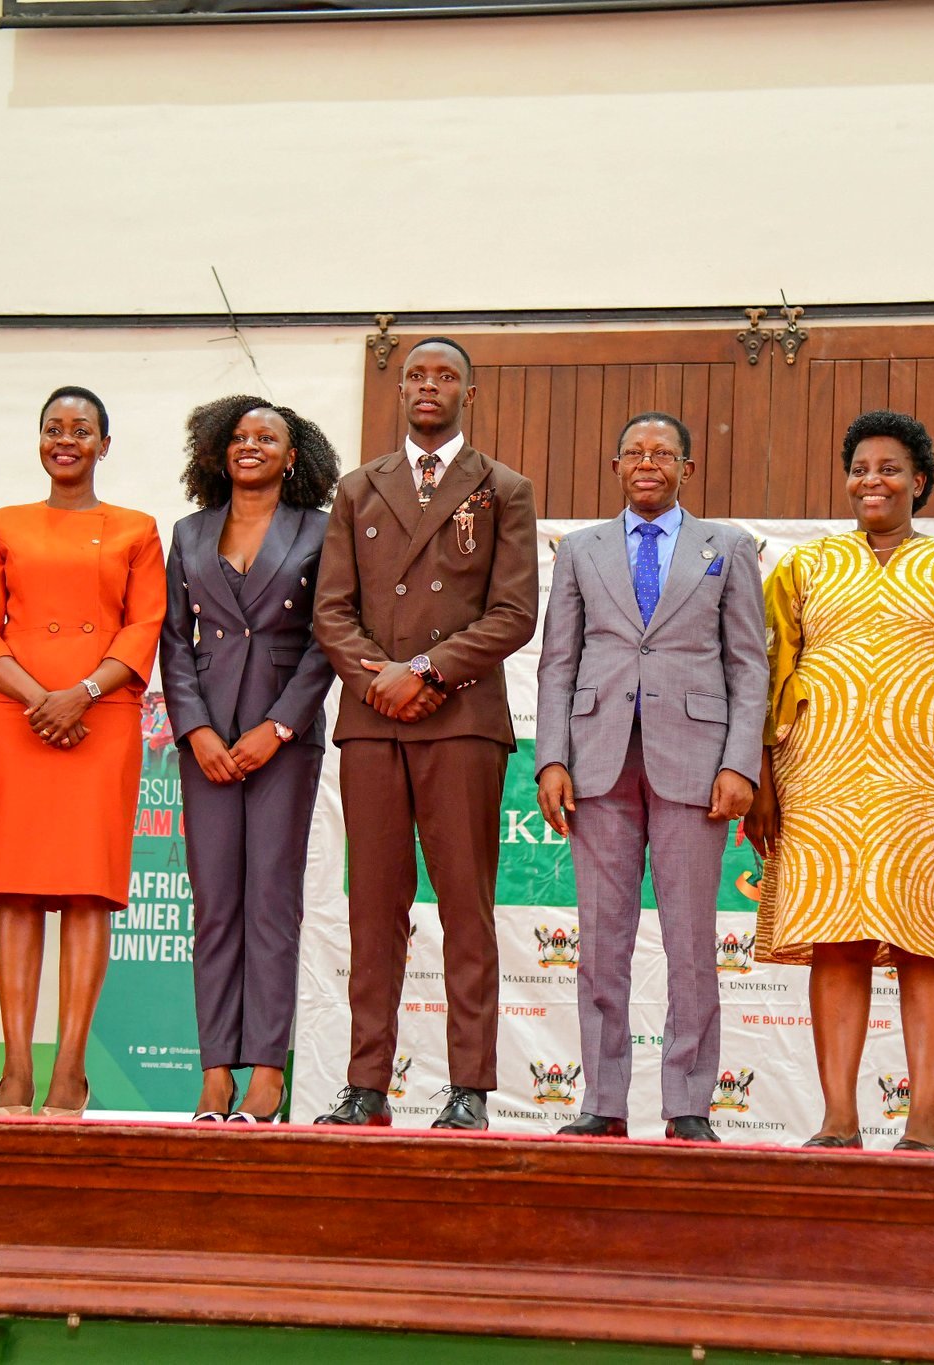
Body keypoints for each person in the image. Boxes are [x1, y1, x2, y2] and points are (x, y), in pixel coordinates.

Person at [744, 409, 934, 1153]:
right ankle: (838, 1118)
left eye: (889, 468)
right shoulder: (802, 567)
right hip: (821, 775)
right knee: (836, 939)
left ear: (920, 481)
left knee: (928, 941)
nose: (872, 480)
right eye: (860, 467)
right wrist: (760, 771)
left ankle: (923, 1122)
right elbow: (766, 673)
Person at [312, 337, 538, 1131]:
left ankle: (469, 1088)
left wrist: (431, 672)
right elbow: (330, 610)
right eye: (416, 375)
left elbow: (514, 613)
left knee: (465, 908)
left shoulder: (503, 487)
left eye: (445, 375)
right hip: (374, 721)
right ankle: (366, 1081)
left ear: (468, 391)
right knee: (374, 907)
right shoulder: (357, 487)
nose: (429, 386)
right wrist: (381, 677)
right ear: (399, 390)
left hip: (464, 720)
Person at [534, 413, 767, 1143]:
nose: (647, 462)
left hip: (694, 767)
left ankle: (689, 1102)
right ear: (615, 465)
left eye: (661, 452)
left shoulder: (725, 546)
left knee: (693, 942)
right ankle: (602, 1102)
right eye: (633, 451)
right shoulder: (579, 549)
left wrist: (739, 763)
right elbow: (557, 663)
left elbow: (748, 664)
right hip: (598, 762)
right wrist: (551, 758)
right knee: (601, 942)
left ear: (685, 469)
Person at [0, 386, 165, 1118]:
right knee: (15, 889)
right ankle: (16, 1069)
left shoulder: (136, 529)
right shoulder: (2, 525)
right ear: (38, 440)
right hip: (18, 720)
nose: (67, 439)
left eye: (83, 429)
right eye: (54, 428)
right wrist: (39, 698)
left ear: (104, 444)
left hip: (100, 718)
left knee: (87, 891)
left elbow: (144, 627)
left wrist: (78, 692)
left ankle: (70, 1070)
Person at [160, 395, 341, 1122]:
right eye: (239, 436)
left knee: (271, 901)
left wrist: (280, 727)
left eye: (267, 437)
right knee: (215, 906)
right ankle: (215, 1072)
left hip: (280, 742)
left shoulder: (320, 532)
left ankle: (267, 1069)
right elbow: (175, 641)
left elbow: (330, 637)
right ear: (218, 450)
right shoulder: (190, 530)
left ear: (292, 455)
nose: (251, 446)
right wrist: (195, 730)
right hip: (206, 742)